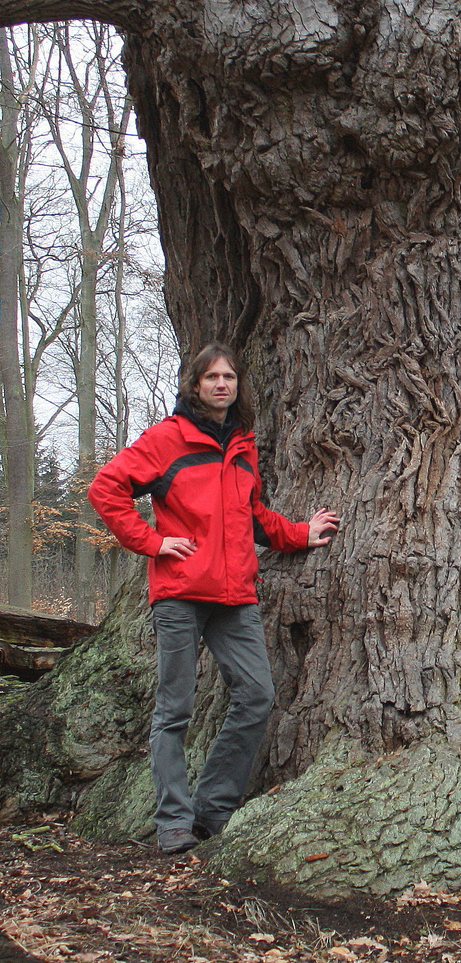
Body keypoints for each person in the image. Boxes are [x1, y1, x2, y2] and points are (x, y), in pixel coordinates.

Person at [89, 343, 340, 855]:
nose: (221, 384)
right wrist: (153, 542)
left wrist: (300, 533)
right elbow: (106, 488)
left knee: (257, 697)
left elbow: (253, 517)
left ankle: (213, 810)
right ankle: (173, 822)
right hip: (180, 593)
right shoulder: (166, 439)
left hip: (236, 596)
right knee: (174, 711)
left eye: (229, 376)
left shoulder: (242, 444)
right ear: (195, 385)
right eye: (211, 377)